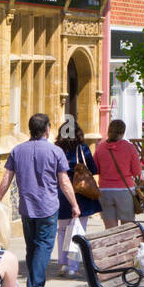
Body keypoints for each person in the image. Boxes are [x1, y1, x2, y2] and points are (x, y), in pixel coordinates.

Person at [0, 113, 79, 287]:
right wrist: (74, 204)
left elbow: (6, 180)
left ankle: (33, 283)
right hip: (47, 207)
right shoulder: (55, 151)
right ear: (47, 130)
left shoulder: (17, 151)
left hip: (27, 207)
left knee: (32, 247)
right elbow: (64, 182)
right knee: (43, 246)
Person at [55, 119, 101, 277]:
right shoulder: (83, 149)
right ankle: (73, 266)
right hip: (81, 194)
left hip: (61, 193)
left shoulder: (56, 149)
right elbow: (93, 169)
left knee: (62, 230)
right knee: (78, 231)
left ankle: (62, 264)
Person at [95, 119, 143, 230]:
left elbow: (96, 169)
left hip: (105, 190)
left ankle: (112, 247)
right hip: (124, 190)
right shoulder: (130, 147)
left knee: (110, 229)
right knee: (127, 228)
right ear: (123, 132)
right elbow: (136, 171)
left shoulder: (100, 148)